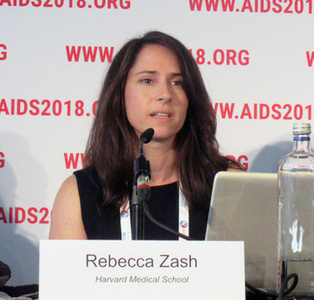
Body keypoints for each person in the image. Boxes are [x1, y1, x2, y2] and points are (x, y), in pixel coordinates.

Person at [49, 31, 244, 241]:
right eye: (147, 80)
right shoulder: (79, 193)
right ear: (119, 94)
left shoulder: (227, 182)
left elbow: (256, 271)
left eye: (178, 83)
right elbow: (66, 275)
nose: (166, 94)